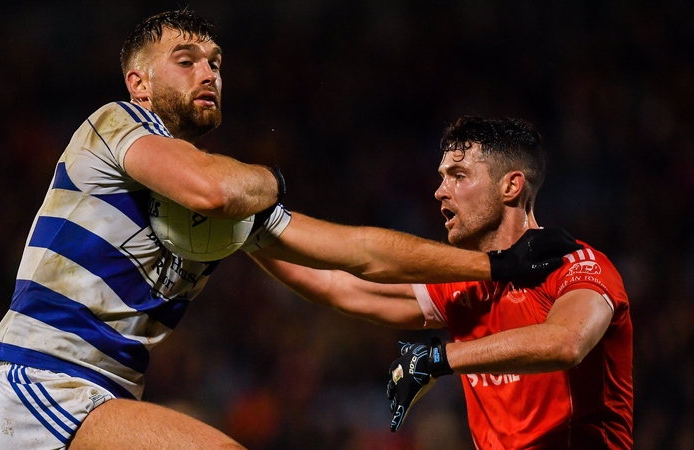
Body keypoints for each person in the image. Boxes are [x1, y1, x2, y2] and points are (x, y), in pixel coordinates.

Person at [0, 10, 581, 450]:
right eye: (185, 62)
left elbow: (359, 256)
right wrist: (274, 179)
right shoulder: (115, 125)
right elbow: (215, 190)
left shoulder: (226, 198)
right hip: (44, 384)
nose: (207, 73)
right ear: (139, 83)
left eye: (215, 63)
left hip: (104, 399)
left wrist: (499, 266)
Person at [252, 116, 633, 449]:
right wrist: (244, 233)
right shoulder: (465, 282)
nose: (440, 191)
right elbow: (338, 286)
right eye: (441, 177)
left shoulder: (577, 265)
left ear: (510, 187)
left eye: (458, 175)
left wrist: (439, 358)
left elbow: (566, 341)